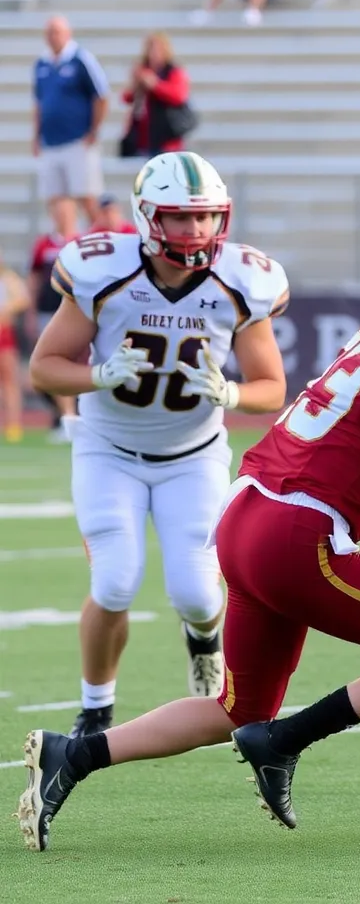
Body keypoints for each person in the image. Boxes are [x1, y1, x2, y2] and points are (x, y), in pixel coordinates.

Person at [17, 219, 360, 853]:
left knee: (238, 707)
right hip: (299, 537)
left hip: (248, 520)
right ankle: (287, 740)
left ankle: (76, 755)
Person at [28, 151, 290, 742]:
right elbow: (44, 368)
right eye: (180, 217)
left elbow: (272, 388)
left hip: (193, 456)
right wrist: (97, 376)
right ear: (148, 218)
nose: (196, 231)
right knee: (115, 580)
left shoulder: (241, 281)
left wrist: (231, 392)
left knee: (197, 594)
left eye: (206, 217)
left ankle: (203, 640)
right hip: (108, 449)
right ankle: (96, 706)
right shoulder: (104, 271)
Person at [33, 16, 108, 232]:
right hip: (51, 141)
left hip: (77, 140)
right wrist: (36, 136)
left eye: (57, 32)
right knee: (56, 199)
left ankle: (99, 240)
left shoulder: (81, 59)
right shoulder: (42, 63)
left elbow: (101, 95)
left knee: (86, 196)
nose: (53, 37)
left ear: (67, 33)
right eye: (49, 33)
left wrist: (93, 131)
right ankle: (67, 244)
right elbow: (39, 102)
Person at [26, 205, 81, 441]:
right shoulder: (43, 244)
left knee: (73, 363)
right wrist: (30, 310)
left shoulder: (82, 241)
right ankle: (64, 417)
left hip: (76, 313)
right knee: (51, 363)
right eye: (59, 213)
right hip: (48, 311)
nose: (63, 217)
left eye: (67, 212)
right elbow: (34, 279)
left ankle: (74, 417)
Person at [120, 33, 193, 158]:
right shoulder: (143, 70)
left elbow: (179, 96)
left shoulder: (173, 71)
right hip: (144, 135)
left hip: (166, 135)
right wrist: (137, 83)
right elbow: (127, 97)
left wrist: (155, 85)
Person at [0, 248, 31, 442]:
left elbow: (23, 299)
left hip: (4, 334)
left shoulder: (8, 279)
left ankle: (13, 425)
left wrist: (7, 310)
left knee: (9, 380)